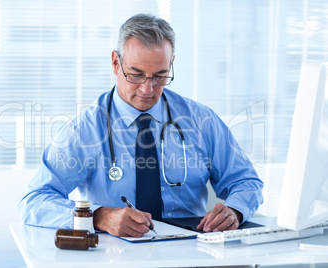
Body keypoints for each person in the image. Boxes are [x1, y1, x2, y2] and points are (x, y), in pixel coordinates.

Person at [18, 13, 263, 237]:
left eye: (160, 76)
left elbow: (246, 181)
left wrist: (235, 211)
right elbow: (35, 201)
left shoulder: (201, 121)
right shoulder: (85, 129)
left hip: (191, 252)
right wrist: (100, 217)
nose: (148, 89)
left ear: (172, 64)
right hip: (115, 256)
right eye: (135, 74)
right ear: (116, 63)